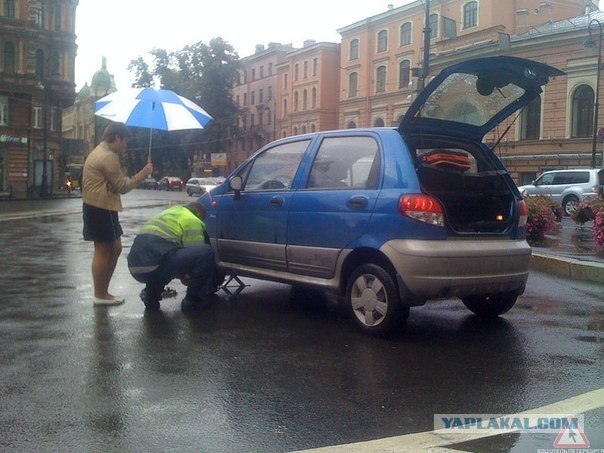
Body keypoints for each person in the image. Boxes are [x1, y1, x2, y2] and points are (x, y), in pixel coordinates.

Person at [82, 122, 153, 306]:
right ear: (118, 138)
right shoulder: (108, 157)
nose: (125, 146)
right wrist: (143, 174)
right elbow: (122, 187)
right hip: (101, 208)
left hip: (98, 207)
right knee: (103, 249)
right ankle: (100, 294)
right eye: (125, 142)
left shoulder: (99, 151)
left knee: (115, 247)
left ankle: (103, 292)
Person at [127, 202, 217, 311]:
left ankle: (151, 297)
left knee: (166, 258)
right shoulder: (191, 219)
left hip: (135, 268)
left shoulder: (167, 214)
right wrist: (188, 277)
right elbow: (196, 254)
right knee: (206, 252)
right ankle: (193, 301)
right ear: (198, 213)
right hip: (156, 264)